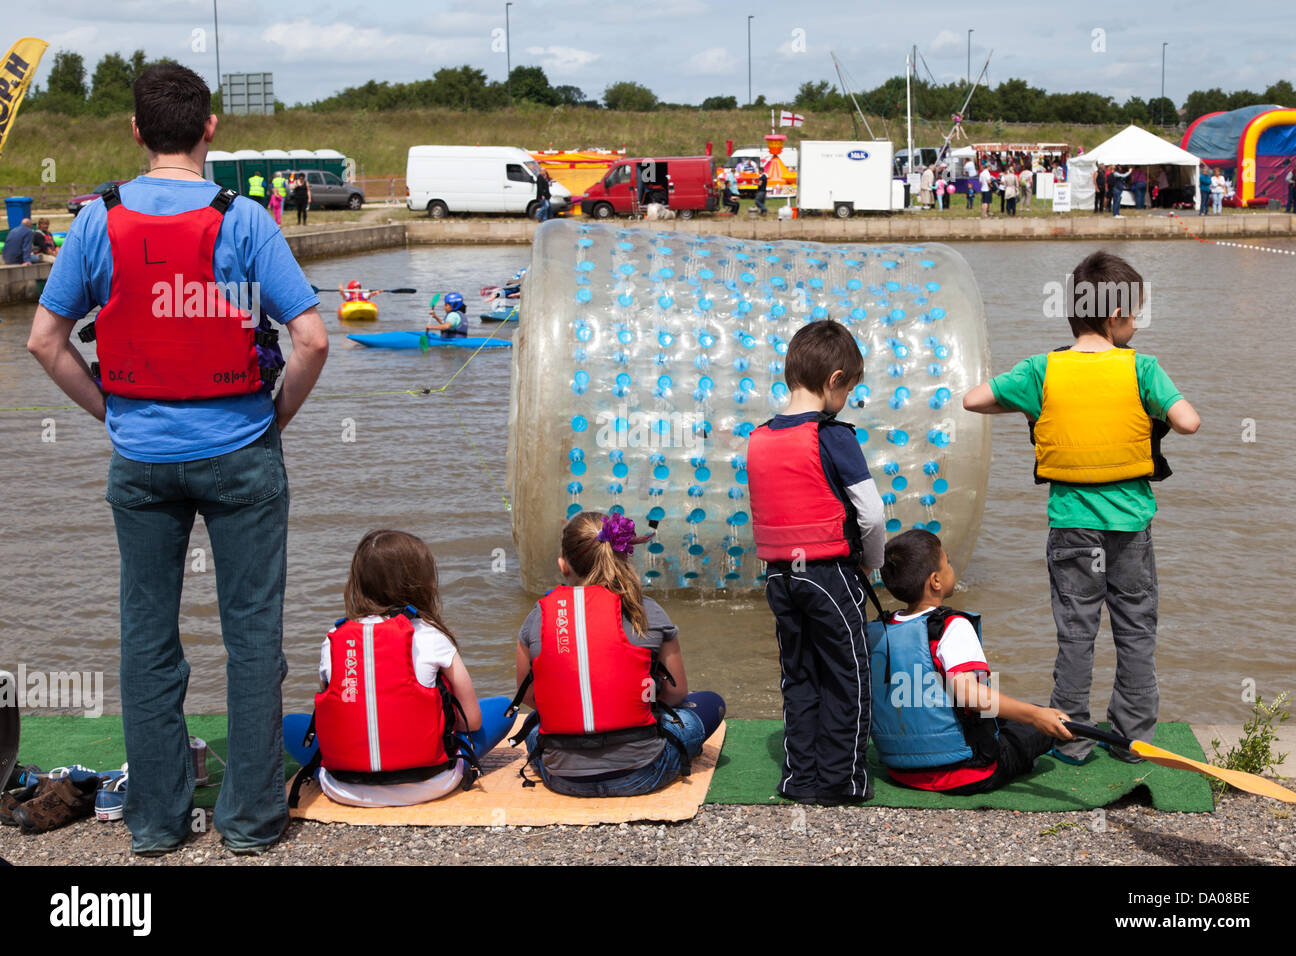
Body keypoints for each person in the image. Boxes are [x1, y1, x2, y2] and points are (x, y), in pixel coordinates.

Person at [25, 63, 328, 855]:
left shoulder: (98, 220)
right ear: (210, 130)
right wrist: (274, 421)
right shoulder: (248, 220)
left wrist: (111, 413)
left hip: (141, 458)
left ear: (135, 131)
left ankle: (157, 823)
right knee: (253, 638)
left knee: (148, 638)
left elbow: (44, 342)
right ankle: (252, 820)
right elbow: (311, 340)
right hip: (242, 451)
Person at [962, 251, 1200, 764]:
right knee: (1135, 629)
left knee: (1076, 632)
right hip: (1129, 529)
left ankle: (1072, 741)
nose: (1137, 323)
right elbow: (1188, 422)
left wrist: (1028, 400)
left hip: (1070, 528)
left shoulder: (1040, 370)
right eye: (1134, 314)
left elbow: (974, 400)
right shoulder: (1143, 369)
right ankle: (1134, 741)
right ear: (1114, 317)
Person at [747, 320, 886, 805]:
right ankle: (840, 782)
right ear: (835, 380)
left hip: (779, 578)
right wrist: (872, 563)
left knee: (799, 675)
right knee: (849, 674)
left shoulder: (759, 437)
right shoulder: (834, 436)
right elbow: (871, 513)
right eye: (849, 388)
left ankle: (798, 779)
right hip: (828, 575)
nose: (847, 399)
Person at [286, 530, 514, 807]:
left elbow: (336, 712)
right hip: (431, 782)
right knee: (502, 707)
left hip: (344, 786)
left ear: (357, 583)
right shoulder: (431, 635)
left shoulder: (334, 637)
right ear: (422, 583)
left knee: (287, 725)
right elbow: (472, 721)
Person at [510, 511, 726, 797]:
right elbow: (676, 693)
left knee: (533, 724)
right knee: (710, 703)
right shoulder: (646, 610)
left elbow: (529, 697)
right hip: (643, 772)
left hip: (562, 777)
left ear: (564, 566)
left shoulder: (538, 616)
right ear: (621, 555)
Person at [868, 530, 1075, 793]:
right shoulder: (951, 625)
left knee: (1005, 715)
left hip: (901, 771)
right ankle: (1023, 759)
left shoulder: (879, 630)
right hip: (965, 774)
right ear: (935, 581)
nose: (951, 567)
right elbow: (968, 694)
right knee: (1038, 726)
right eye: (948, 563)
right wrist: (1036, 716)